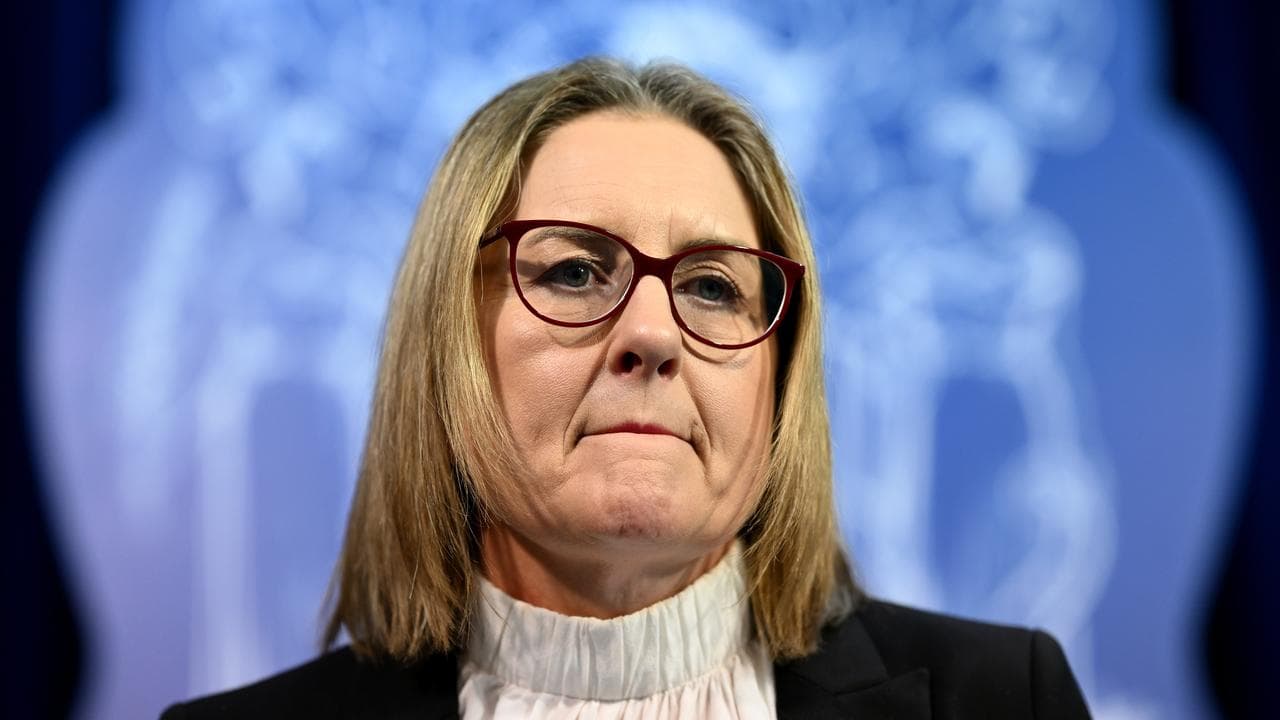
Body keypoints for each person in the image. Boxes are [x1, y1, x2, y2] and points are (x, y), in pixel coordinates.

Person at [161, 57, 1090, 719]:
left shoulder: (1003, 701)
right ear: (447, 345)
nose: (652, 334)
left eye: (714, 287)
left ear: (779, 378)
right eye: (573, 272)